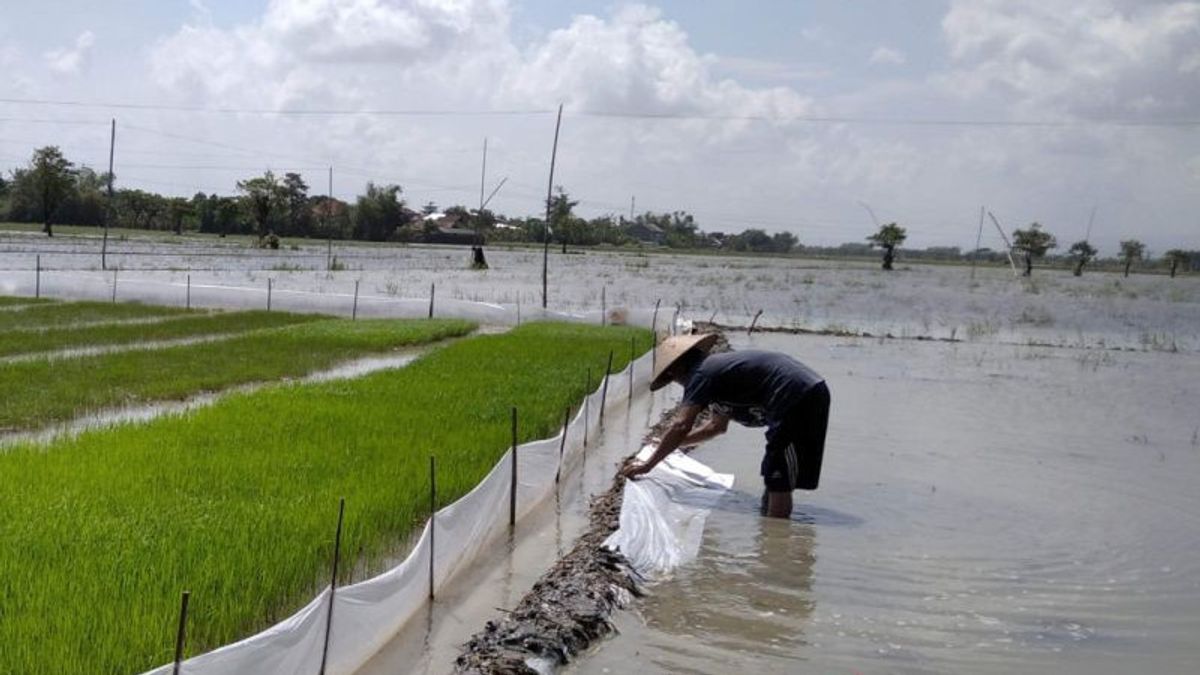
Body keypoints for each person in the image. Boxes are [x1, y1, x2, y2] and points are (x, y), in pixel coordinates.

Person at [619, 333, 830, 518]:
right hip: (807, 392)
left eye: (672, 378)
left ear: (679, 369)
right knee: (776, 471)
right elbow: (715, 427)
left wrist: (648, 466)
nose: (679, 384)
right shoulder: (718, 373)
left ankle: (776, 535)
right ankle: (772, 528)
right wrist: (671, 444)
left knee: (779, 470)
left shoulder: (702, 375)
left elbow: (681, 425)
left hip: (797, 394)